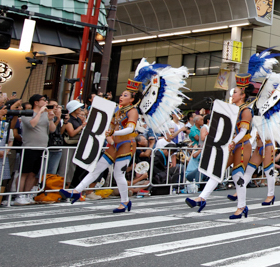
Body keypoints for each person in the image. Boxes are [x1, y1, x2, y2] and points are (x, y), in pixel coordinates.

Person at [61, 61, 188, 212]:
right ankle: (76, 191)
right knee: (96, 169)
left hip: (127, 145)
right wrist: (108, 132)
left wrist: (113, 133)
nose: (121, 96)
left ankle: (125, 202)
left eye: (125, 95)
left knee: (118, 174)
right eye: (122, 94)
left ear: (132, 99)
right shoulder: (119, 110)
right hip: (115, 144)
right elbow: (112, 125)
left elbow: (130, 129)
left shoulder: (132, 111)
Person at [186, 50, 279, 218]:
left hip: (242, 146)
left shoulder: (246, 110)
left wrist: (234, 142)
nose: (232, 94)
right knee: (218, 171)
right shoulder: (232, 109)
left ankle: (242, 206)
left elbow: (243, 130)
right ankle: (201, 198)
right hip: (231, 145)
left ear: (242, 95)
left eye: (235, 92)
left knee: (238, 175)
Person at [17, 94, 59, 204]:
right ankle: (19, 195)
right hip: (29, 147)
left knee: (33, 173)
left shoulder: (46, 115)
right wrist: (40, 112)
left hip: (42, 148)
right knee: (24, 173)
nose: (46, 102)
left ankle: (27, 194)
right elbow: (32, 124)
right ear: (36, 102)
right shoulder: (28, 113)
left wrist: (50, 119)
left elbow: (52, 129)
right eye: (44, 100)